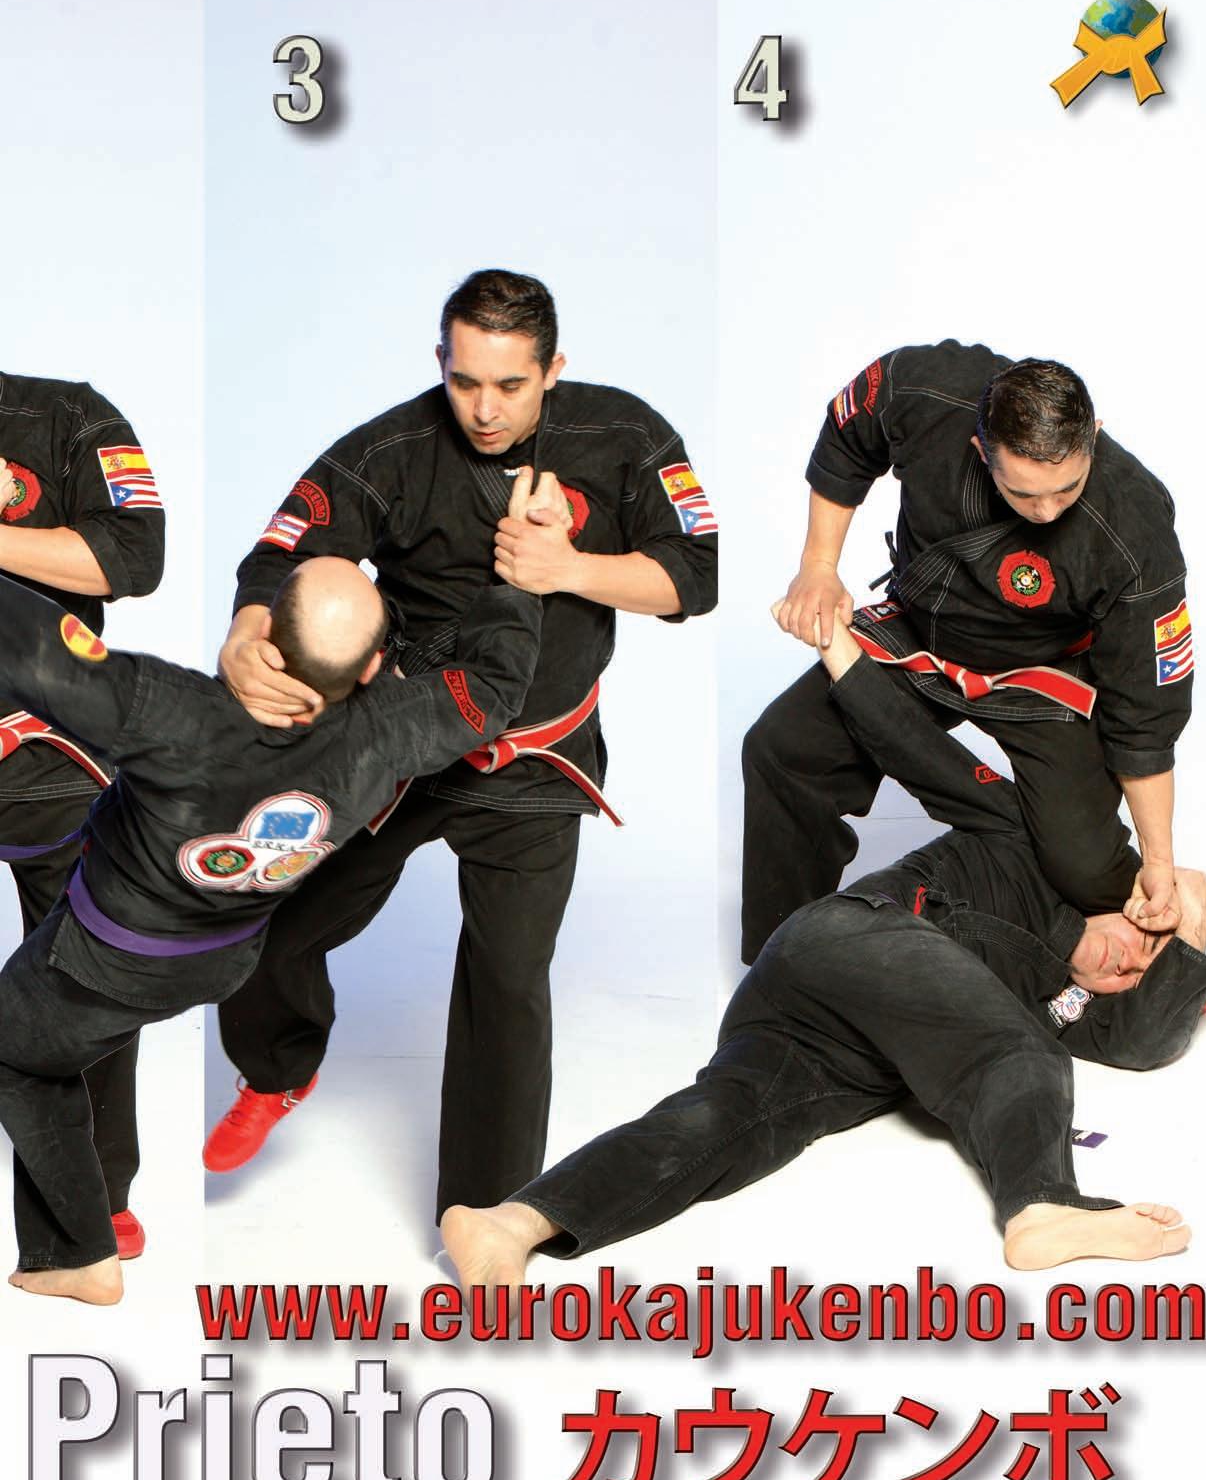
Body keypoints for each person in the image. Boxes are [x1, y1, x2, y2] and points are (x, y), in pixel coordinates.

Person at [442, 623, 1206, 1294]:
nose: (1128, 960)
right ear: (1126, 897)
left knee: (721, 1125)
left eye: (1136, 975)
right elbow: (917, 750)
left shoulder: (1061, 1004)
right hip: (844, 937)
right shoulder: (1021, 844)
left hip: (832, 1044)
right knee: (1020, 1054)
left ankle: (514, 1221)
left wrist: (1185, 935)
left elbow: (1147, 1039)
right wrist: (840, 648)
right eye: (1146, 937)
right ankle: (1041, 1205)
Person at [205, 268, 718, 1218]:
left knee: (506, 984)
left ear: (553, 369)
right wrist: (244, 634)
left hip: (536, 761)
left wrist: (569, 567)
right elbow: (280, 552)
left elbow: (696, 575)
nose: (484, 409)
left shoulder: (625, 434)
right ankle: (276, 1069)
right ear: (441, 361)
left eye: (511, 385)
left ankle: (484, 1217)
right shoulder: (392, 449)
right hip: (408, 737)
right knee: (269, 909)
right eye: (464, 381)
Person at [0, 561, 542, 1304]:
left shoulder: (175, 712)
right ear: (374, 666)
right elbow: (492, 693)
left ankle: (82, 1254)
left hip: (110, 958)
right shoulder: (388, 728)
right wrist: (519, 584)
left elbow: (33, 649)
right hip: (226, 960)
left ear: (264, 632)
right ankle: (86, 1231)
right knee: (52, 1042)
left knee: (18, 1057)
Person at [742, 342, 1191, 963]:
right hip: (920, 633)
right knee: (782, 747)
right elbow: (849, 436)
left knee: (1086, 871)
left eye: (1067, 488)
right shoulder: (927, 391)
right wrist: (818, 565)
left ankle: (1164, 886)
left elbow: (1147, 711)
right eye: (1024, 493)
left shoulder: (1136, 525)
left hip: (1042, 672)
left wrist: (1161, 859)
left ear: (1094, 436)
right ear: (982, 452)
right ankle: (788, 958)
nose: (1046, 511)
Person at [0, 373, 164, 1259]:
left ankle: (97, 1194)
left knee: (86, 971)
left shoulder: (67, 417)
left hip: (48, 751)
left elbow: (133, 559)